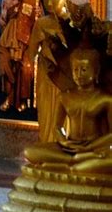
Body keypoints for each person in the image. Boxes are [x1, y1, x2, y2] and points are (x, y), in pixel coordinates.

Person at [24, 45, 112, 173]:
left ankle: (68, 164)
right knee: (30, 152)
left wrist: (90, 147)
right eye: (75, 69)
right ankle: (75, 162)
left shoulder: (105, 99)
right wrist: (64, 142)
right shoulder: (64, 97)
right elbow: (57, 127)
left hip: (94, 149)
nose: (79, 74)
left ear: (96, 71)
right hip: (70, 147)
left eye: (84, 69)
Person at [28, 0, 74, 142]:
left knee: (66, 119)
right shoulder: (41, 23)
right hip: (46, 76)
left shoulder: (74, 23)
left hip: (67, 77)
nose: (48, 3)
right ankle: (47, 147)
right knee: (47, 115)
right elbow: (31, 53)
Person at [0, 0, 40, 112]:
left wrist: (38, 16)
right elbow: (2, 24)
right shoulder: (6, 1)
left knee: (25, 67)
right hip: (7, 41)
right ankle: (9, 98)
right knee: (5, 65)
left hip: (27, 42)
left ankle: (22, 100)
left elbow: (40, 24)